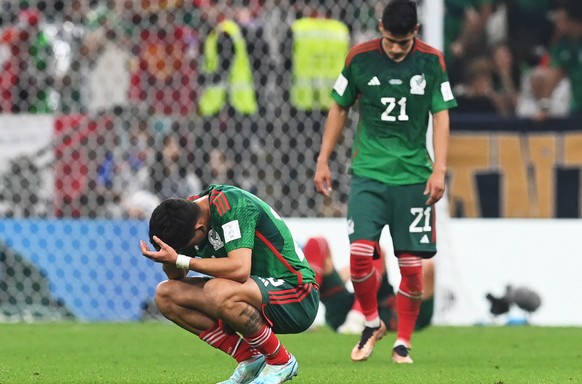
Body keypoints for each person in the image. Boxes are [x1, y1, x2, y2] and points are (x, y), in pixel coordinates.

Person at [313, 0, 457, 364]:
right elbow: (339, 107)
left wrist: (439, 169)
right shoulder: (359, 58)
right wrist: (323, 159)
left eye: (403, 43)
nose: (395, 49)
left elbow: (441, 117)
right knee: (360, 252)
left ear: (415, 34)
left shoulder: (431, 61)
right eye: (391, 41)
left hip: (414, 178)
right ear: (380, 28)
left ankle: (402, 342)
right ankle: (372, 322)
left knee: (411, 265)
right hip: (369, 173)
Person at [139, 184, 319, 384]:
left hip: (296, 294)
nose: (186, 250)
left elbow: (240, 270)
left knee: (218, 290)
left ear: (199, 227)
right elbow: (177, 276)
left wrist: (181, 258)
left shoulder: (233, 206)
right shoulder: (187, 217)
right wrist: (168, 256)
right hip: (252, 294)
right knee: (166, 295)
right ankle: (250, 359)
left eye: (186, 247)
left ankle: (280, 361)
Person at [303, 236, 434, 334]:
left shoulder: (419, 317)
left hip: (374, 315)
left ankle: (356, 317)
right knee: (317, 243)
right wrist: (357, 271)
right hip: (349, 307)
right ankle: (304, 311)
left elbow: (429, 269)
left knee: (375, 252)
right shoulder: (391, 297)